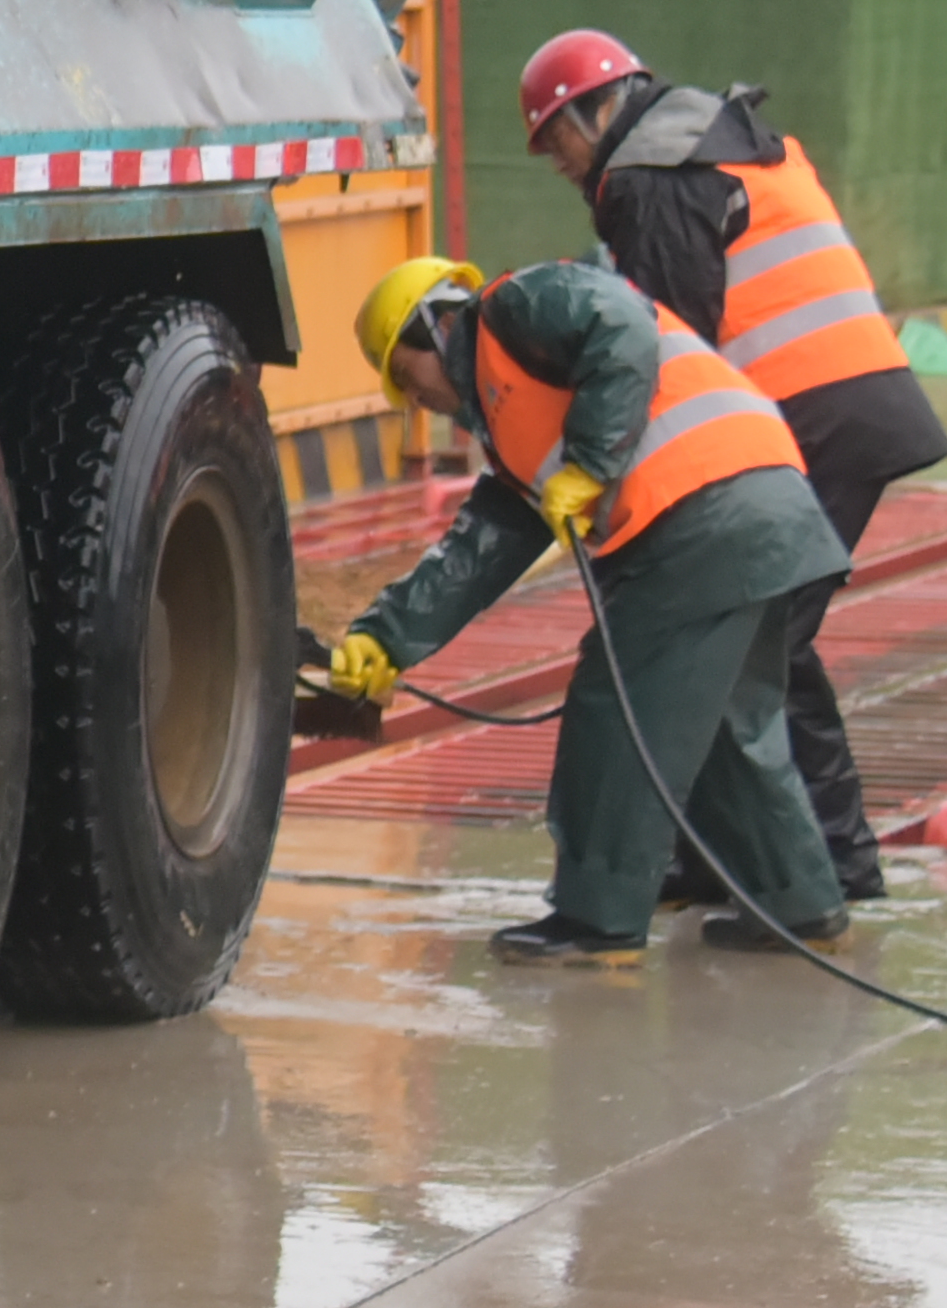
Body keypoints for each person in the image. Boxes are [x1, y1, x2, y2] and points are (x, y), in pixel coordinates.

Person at [320, 252, 854, 958]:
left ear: (436, 327)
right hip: (768, 507)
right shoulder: (514, 427)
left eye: (402, 371)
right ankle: (798, 907)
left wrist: (591, 464)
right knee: (731, 727)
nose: (412, 396)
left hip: (704, 512)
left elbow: (621, 326)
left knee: (615, 710)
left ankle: (596, 922)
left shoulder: (518, 306)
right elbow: (479, 549)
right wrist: (385, 637)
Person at [519, 29, 947, 905]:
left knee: (749, 648)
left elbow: (663, 346)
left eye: (556, 138)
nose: (555, 162)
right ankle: (775, 862)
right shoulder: (711, 140)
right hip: (846, 408)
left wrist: (597, 465)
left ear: (598, 109)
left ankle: (822, 865)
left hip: (809, 417)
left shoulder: (649, 176)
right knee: (760, 640)